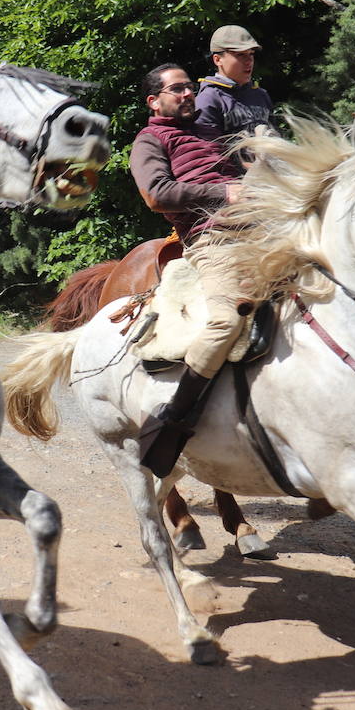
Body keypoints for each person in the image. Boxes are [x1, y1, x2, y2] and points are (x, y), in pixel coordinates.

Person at [128, 63, 252, 476]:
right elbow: (156, 195)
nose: (187, 94)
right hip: (212, 237)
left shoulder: (211, 128)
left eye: (189, 88)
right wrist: (223, 192)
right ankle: (174, 419)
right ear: (154, 100)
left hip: (265, 228)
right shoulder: (149, 139)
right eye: (176, 89)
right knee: (226, 319)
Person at [194, 24, 275, 143]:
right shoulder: (208, 100)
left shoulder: (261, 95)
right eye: (240, 55)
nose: (249, 61)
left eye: (251, 54)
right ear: (217, 59)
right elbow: (209, 153)